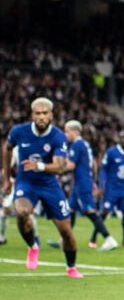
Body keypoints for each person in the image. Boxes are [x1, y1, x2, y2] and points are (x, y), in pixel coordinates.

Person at [1, 97, 82, 278]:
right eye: (38, 113)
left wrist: (38, 166)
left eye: (45, 113)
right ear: (32, 115)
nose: (41, 117)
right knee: (21, 212)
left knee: (66, 232)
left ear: (51, 115)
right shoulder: (18, 132)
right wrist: (7, 178)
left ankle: (71, 267)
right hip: (26, 183)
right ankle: (33, 246)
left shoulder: (58, 136)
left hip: (49, 185)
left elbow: (60, 167)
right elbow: (7, 148)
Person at [64, 120, 117, 251]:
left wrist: (56, 164)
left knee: (90, 211)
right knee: (71, 210)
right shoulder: (85, 144)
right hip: (82, 181)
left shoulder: (77, 145)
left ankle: (109, 239)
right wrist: (92, 179)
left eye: (67, 131)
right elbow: (93, 164)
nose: (65, 134)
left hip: (82, 183)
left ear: (75, 131)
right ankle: (65, 240)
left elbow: (71, 165)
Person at [98, 126, 124, 248]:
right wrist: (101, 185)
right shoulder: (111, 152)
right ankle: (93, 238)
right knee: (104, 213)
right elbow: (103, 169)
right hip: (111, 188)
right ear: (119, 139)